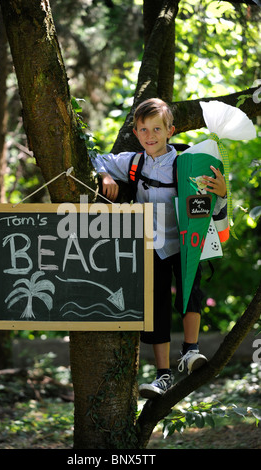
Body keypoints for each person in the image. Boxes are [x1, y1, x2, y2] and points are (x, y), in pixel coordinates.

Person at [91, 98, 227, 399]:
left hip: (185, 242)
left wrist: (222, 193)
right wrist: (104, 175)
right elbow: (96, 156)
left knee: (191, 291)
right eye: (143, 129)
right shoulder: (133, 162)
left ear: (170, 131)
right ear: (136, 133)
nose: (149, 135)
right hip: (151, 246)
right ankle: (163, 375)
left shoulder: (187, 162)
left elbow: (209, 205)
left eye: (156, 128)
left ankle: (191, 351)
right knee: (155, 307)